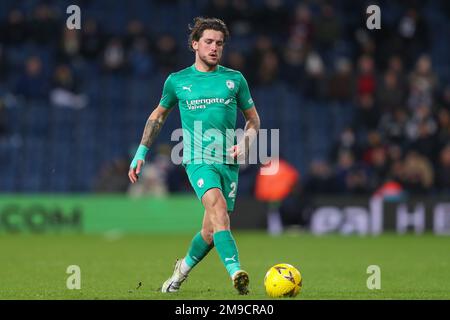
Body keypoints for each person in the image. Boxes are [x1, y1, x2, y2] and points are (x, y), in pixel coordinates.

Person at [128, 17, 260, 295]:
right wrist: (141, 151)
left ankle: (181, 271)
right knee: (218, 208)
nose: (214, 48)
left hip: (229, 162)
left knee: (212, 232)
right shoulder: (178, 81)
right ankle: (236, 272)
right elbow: (158, 115)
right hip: (198, 159)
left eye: (219, 43)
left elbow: (253, 121)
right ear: (195, 44)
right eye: (209, 42)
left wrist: (246, 142)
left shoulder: (235, 80)